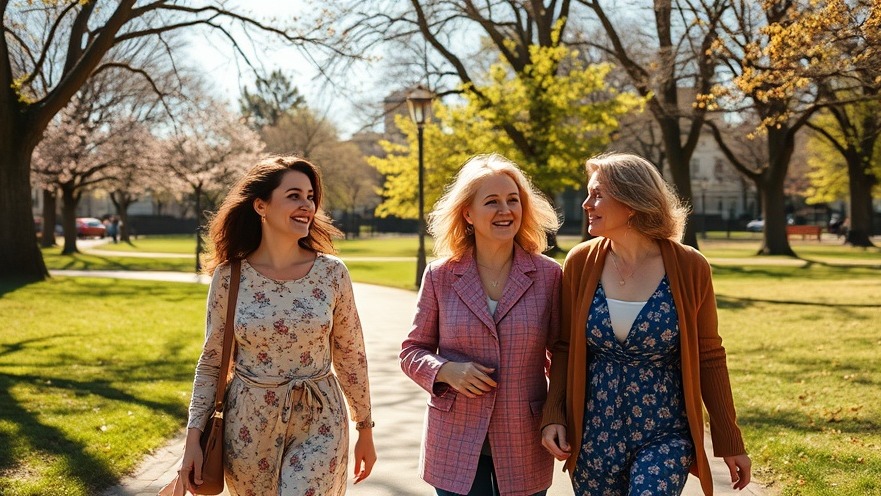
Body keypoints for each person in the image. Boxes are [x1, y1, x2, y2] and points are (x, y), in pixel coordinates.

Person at [541, 152, 751, 496]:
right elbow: (563, 347)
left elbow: (709, 355)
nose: (586, 204)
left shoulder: (689, 266)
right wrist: (554, 414)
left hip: (665, 433)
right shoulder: (580, 262)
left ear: (631, 202)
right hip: (594, 434)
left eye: (597, 195)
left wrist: (730, 440)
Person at [170, 156, 376, 495]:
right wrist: (192, 440)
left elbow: (351, 354)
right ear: (261, 205)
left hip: (320, 418)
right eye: (294, 195)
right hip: (248, 424)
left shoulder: (332, 273)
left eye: (310, 197)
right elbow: (212, 363)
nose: (307, 205)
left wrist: (364, 427)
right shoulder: (229, 276)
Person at [400, 153, 562, 496]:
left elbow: (561, 354)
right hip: (454, 441)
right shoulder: (440, 276)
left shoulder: (549, 275)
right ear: (468, 214)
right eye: (492, 202)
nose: (506, 210)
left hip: (524, 438)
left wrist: (557, 414)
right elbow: (412, 351)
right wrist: (445, 371)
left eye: (513, 200)